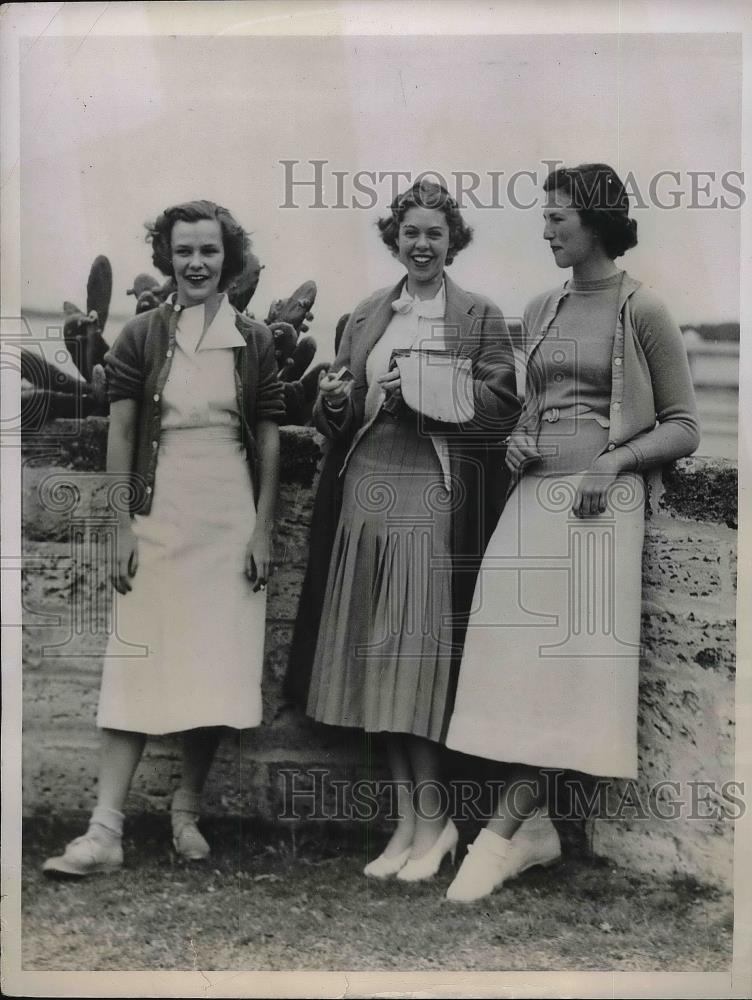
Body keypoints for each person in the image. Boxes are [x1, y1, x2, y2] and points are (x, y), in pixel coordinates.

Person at [444, 163, 701, 902]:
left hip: (596, 518)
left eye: (559, 217)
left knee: (562, 678)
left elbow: (683, 427)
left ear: (597, 222)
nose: (547, 228)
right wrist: (518, 440)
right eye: (545, 216)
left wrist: (614, 462)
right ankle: (533, 830)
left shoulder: (642, 309)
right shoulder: (543, 307)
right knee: (511, 667)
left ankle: (496, 839)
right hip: (530, 505)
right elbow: (537, 407)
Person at [43, 200, 284, 877]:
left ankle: (187, 811)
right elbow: (120, 434)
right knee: (137, 661)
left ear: (227, 260)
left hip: (227, 516)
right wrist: (121, 526)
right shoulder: (142, 336)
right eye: (185, 252)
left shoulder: (255, 339)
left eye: (209, 251)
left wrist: (263, 530)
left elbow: (267, 437)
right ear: (167, 258)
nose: (197, 263)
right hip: (157, 511)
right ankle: (105, 830)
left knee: (212, 664)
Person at [305, 179, 520, 881]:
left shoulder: (479, 314)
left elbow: (501, 405)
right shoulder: (369, 311)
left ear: (451, 241)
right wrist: (335, 399)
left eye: (435, 233)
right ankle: (411, 824)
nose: (421, 244)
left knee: (415, 661)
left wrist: (425, 389)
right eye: (410, 232)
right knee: (376, 660)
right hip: (365, 488)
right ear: (393, 239)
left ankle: (438, 825)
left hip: (432, 494)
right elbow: (336, 420)